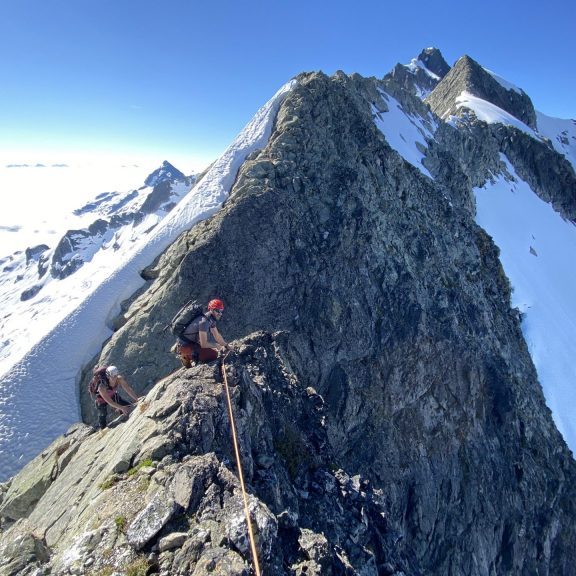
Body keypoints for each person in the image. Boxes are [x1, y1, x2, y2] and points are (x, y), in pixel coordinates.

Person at [177, 298, 231, 368]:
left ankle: (189, 355)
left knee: (213, 351)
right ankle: (185, 356)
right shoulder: (204, 322)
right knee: (213, 355)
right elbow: (204, 344)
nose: (220, 313)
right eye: (218, 311)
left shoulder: (211, 320)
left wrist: (226, 346)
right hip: (184, 346)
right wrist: (218, 346)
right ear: (211, 309)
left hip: (190, 343)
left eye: (221, 311)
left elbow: (217, 336)